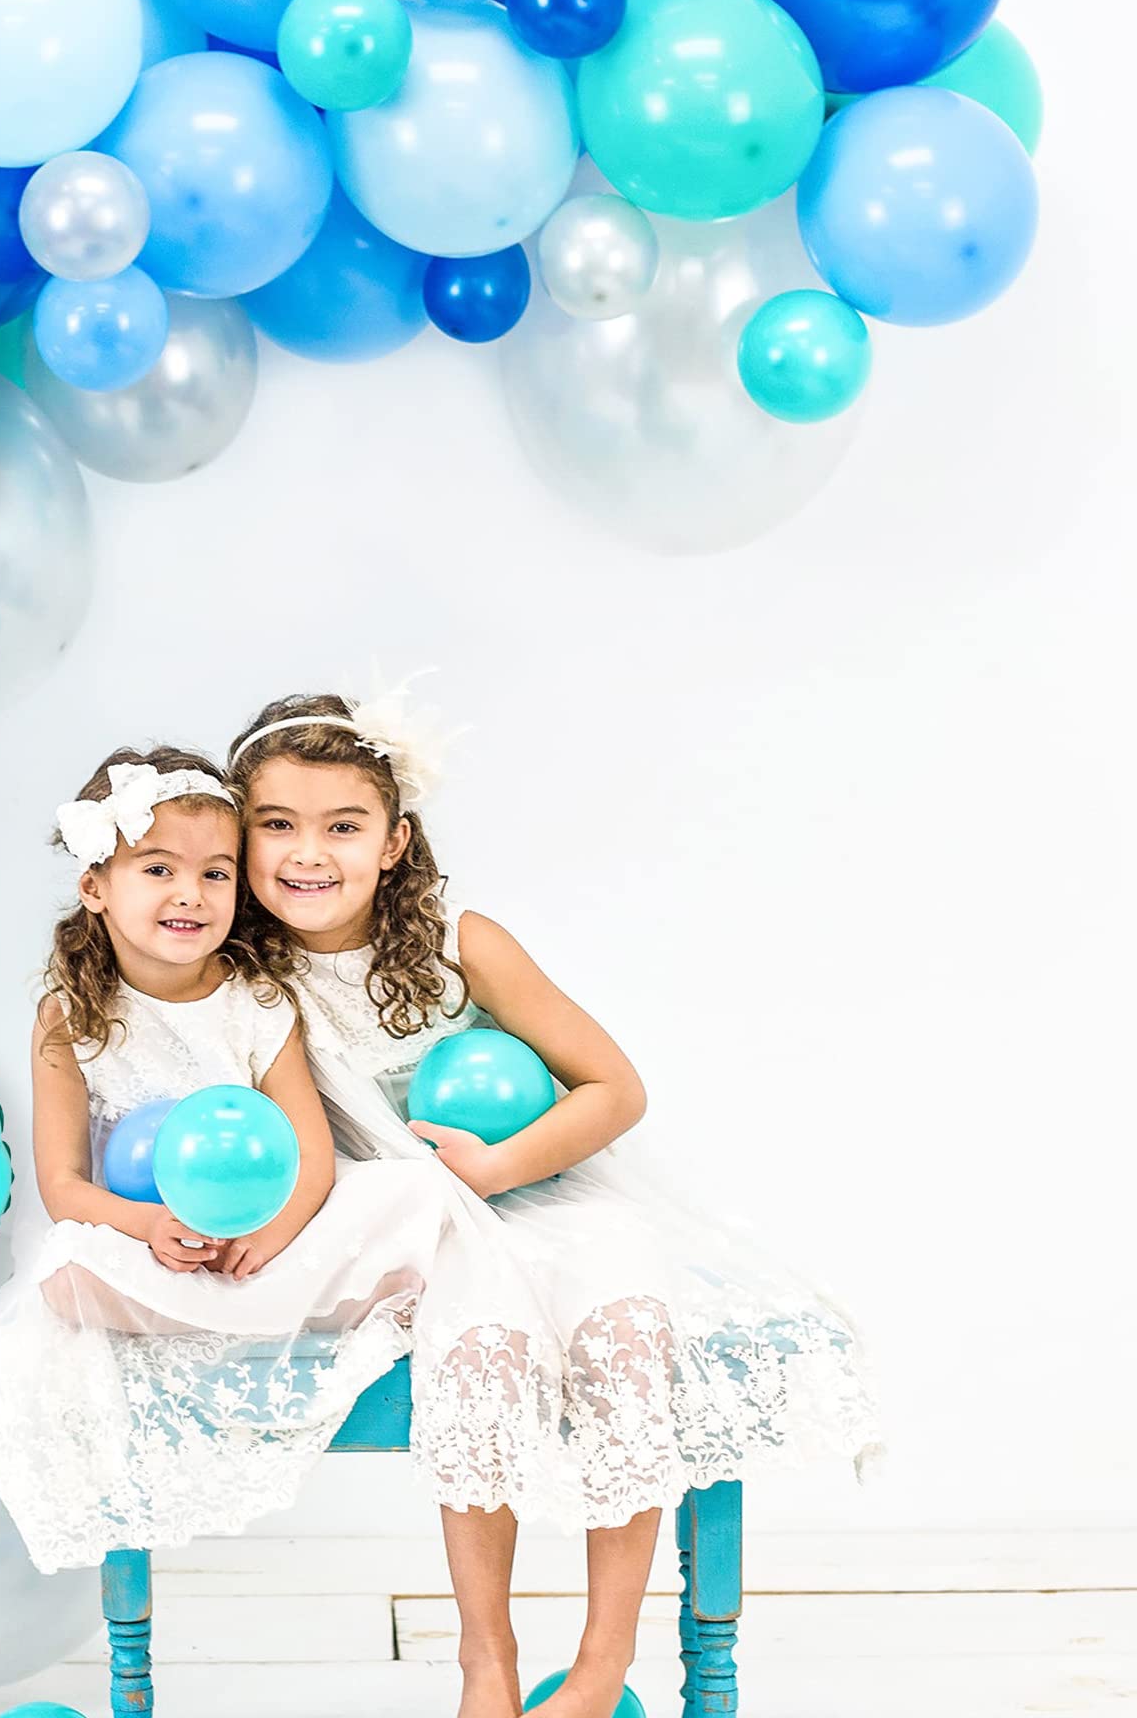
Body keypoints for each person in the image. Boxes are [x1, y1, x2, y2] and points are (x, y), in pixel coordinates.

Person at [227, 689, 883, 1718]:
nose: (309, 853)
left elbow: (612, 1087)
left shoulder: (460, 943)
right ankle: (484, 1663)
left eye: (342, 826)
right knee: (477, 1349)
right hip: (399, 1224)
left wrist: (495, 1168)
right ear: (241, 835)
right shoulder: (237, 979)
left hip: (539, 1193)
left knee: (624, 1333)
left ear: (394, 843)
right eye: (277, 823)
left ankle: (598, 1667)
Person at [0, 744, 518, 1576]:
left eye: (216, 873)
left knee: (411, 1186)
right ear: (95, 886)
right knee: (68, 1268)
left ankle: (266, 1298)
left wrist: (272, 1234)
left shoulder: (256, 1001)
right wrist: (148, 1226)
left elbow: (314, 1155)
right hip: (162, 1241)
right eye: (158, 868)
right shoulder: (70, 1014)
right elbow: (64, 1186)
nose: (190, 893)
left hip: (270, 1238)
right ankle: (226, 1304)